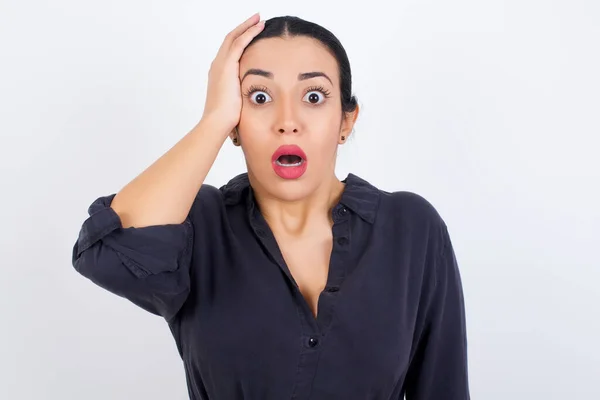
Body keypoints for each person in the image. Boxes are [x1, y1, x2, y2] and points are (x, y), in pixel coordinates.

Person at [71, 13, 470, 400]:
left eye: (313, 96)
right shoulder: (197, 224)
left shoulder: (411, 229)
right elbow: (105, 251)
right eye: (259, 97)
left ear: (346, 122)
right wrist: (213, 120)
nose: (287, 121)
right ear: (236, 123)